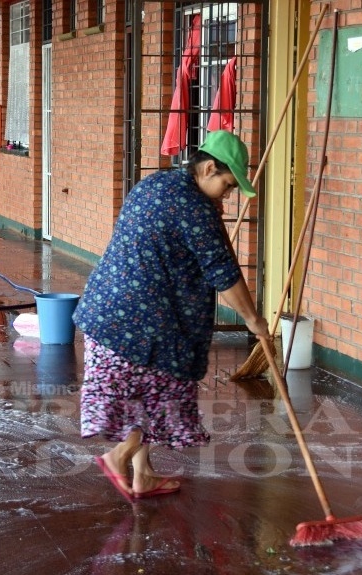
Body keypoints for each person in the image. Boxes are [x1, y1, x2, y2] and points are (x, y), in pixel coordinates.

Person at [73, 130, 271, 501]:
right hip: (145, 325)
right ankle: (119, 458)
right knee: (159, 396)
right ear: (209, 168)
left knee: (146, 394)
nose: (227, 195)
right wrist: (252, 320)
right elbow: (224, 273)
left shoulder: (158, 184)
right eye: (227, 185)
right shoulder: (195, 208)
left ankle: (143, 475)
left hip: (109, 311)